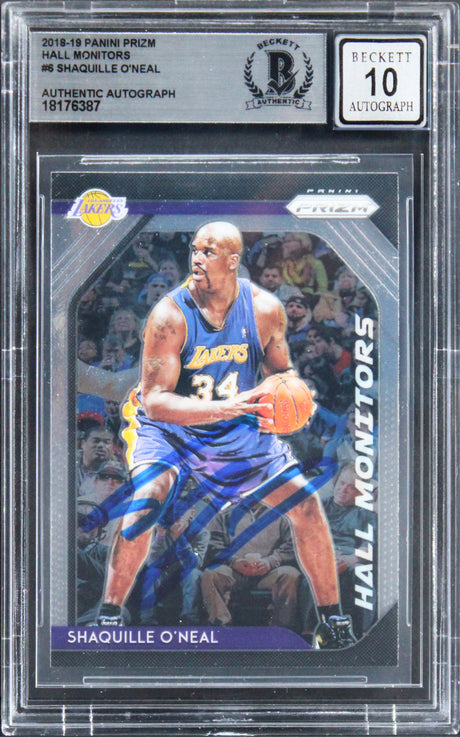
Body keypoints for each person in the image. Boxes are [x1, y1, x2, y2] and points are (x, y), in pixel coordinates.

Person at [97, 221, 354, 649]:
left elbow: (281, 372)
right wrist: (230, 407)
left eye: (209, 251)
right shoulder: (169, 315)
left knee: (307, 505)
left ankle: (333, 621)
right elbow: (156, 401)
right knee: (148, 498)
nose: (197, 258)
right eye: (195, 250)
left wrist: (291, 395)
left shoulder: (265, 309)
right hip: (172, 430)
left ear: (233, 261)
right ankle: (109, 614)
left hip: (237, 429)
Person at [299, 464, 378, 641]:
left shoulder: (367, 515)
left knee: (361, 574)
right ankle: (309, 634)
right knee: (313, 577)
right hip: (321, 559)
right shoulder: (317, 508)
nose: (343, 490)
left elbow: (368, 548)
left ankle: (364, 634)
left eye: (352, 488)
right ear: (336, 481)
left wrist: (349, 560)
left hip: (351, 560)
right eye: (342, 483)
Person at [201, 502, 302, 630]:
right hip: (234, 571)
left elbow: (293, 544)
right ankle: (222, 628)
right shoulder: (225, 514)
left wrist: (270, 562)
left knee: (290, 575)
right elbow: (214, 545)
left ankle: (281, 630)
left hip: (269, 572)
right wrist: (234, 561)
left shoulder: (283, 515)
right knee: (211, 574)